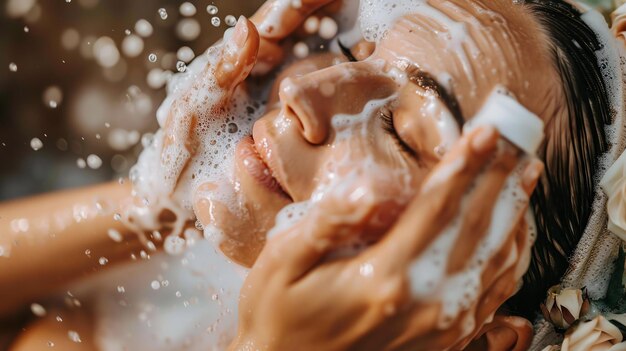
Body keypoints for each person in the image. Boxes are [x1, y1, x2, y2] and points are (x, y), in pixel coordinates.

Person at [1, 0, 622, 350]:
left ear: (477, 334)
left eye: (406, 135)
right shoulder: (166, 304)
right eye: (354, 52)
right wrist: (158, 202)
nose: (302, 88)